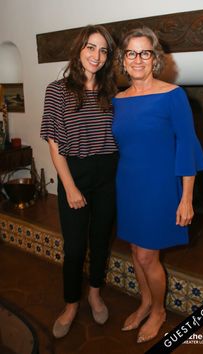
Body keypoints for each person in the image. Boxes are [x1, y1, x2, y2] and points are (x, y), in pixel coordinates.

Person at [112, 27, 203, 344]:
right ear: (123, 60)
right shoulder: (117, 99)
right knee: (135, 250)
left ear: (154, 58)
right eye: (131, 53)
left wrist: (187, 199)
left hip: (160, 187)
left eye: (145, 52)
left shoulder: (173, 95)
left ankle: (158, 312)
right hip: (128, 186)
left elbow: (187, 147)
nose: (138, 59)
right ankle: (145, 302)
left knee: (147, 257)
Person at [40, 25, 118, 338]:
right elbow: (54, 144)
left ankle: (95, 292)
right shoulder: (57, 90)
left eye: (103, 50)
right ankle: (71, 303)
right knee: (74, 248)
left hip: (108, 173)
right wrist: (70, 187)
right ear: (79, 50)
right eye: (90, 47)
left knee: (101, 240)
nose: (96, 55)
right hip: (74, 172)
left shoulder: (113, 92)